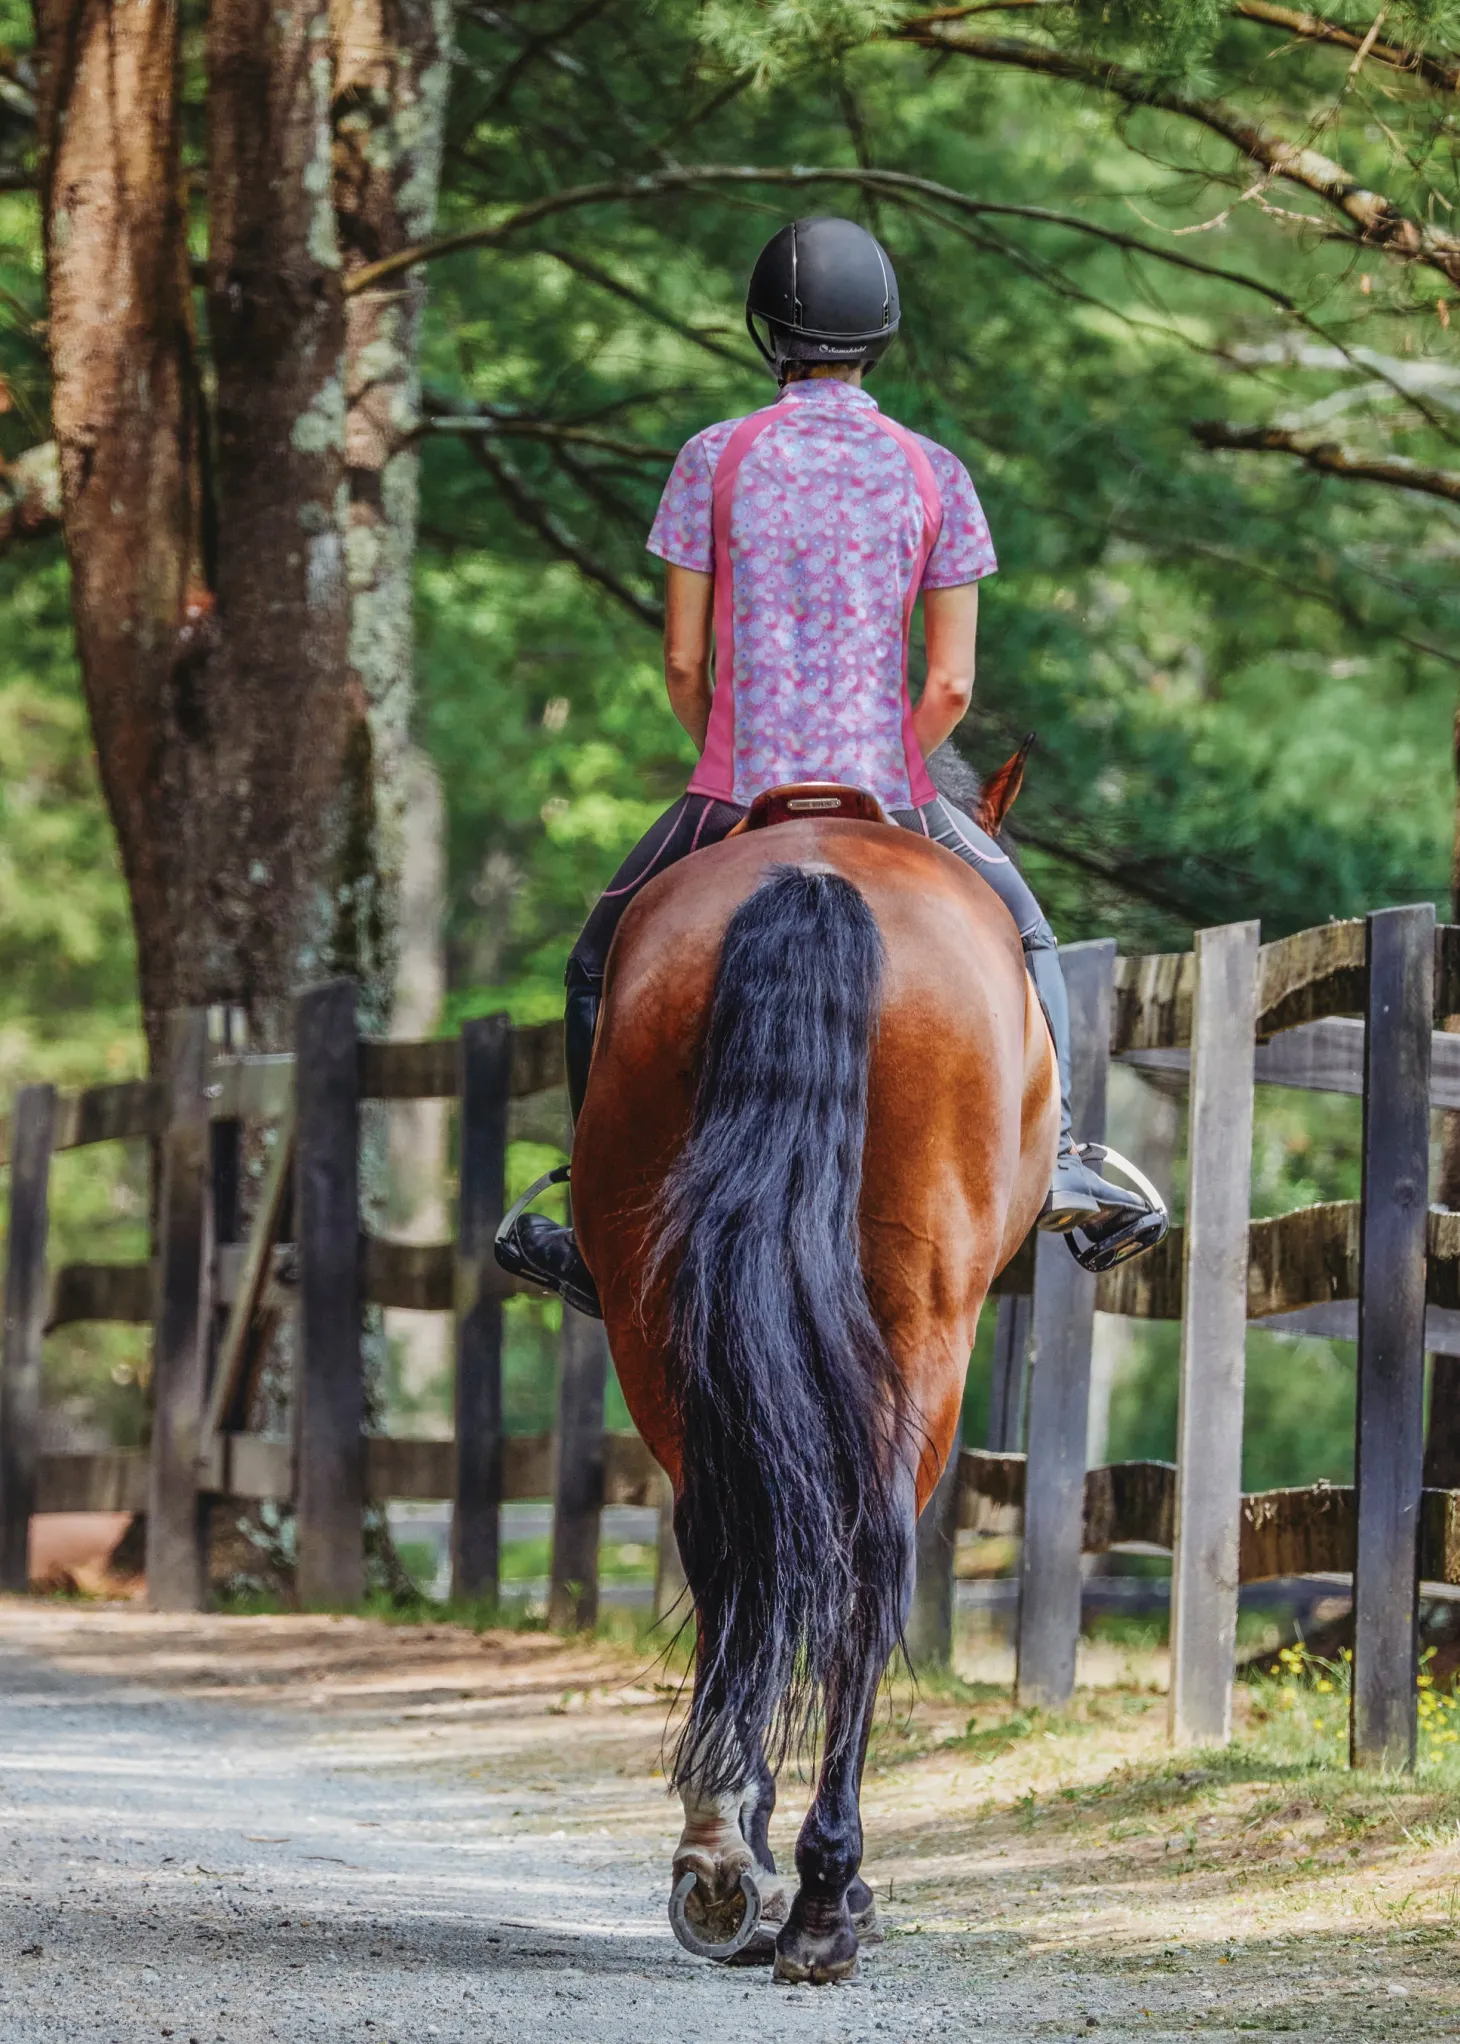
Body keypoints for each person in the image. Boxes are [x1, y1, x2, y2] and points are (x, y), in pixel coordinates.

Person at [497, 216, 1161, 1314]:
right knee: (1025, 932)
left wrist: (730, 747)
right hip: (890, 784)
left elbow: (680, 656)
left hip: (732, 785)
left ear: (769, 333)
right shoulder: (930, 470)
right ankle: (1066, 1162)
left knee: (592, 962)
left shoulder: (713, 458)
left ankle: (581, 1202)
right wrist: (890, 765)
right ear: (881, 336)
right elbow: (947, 685)